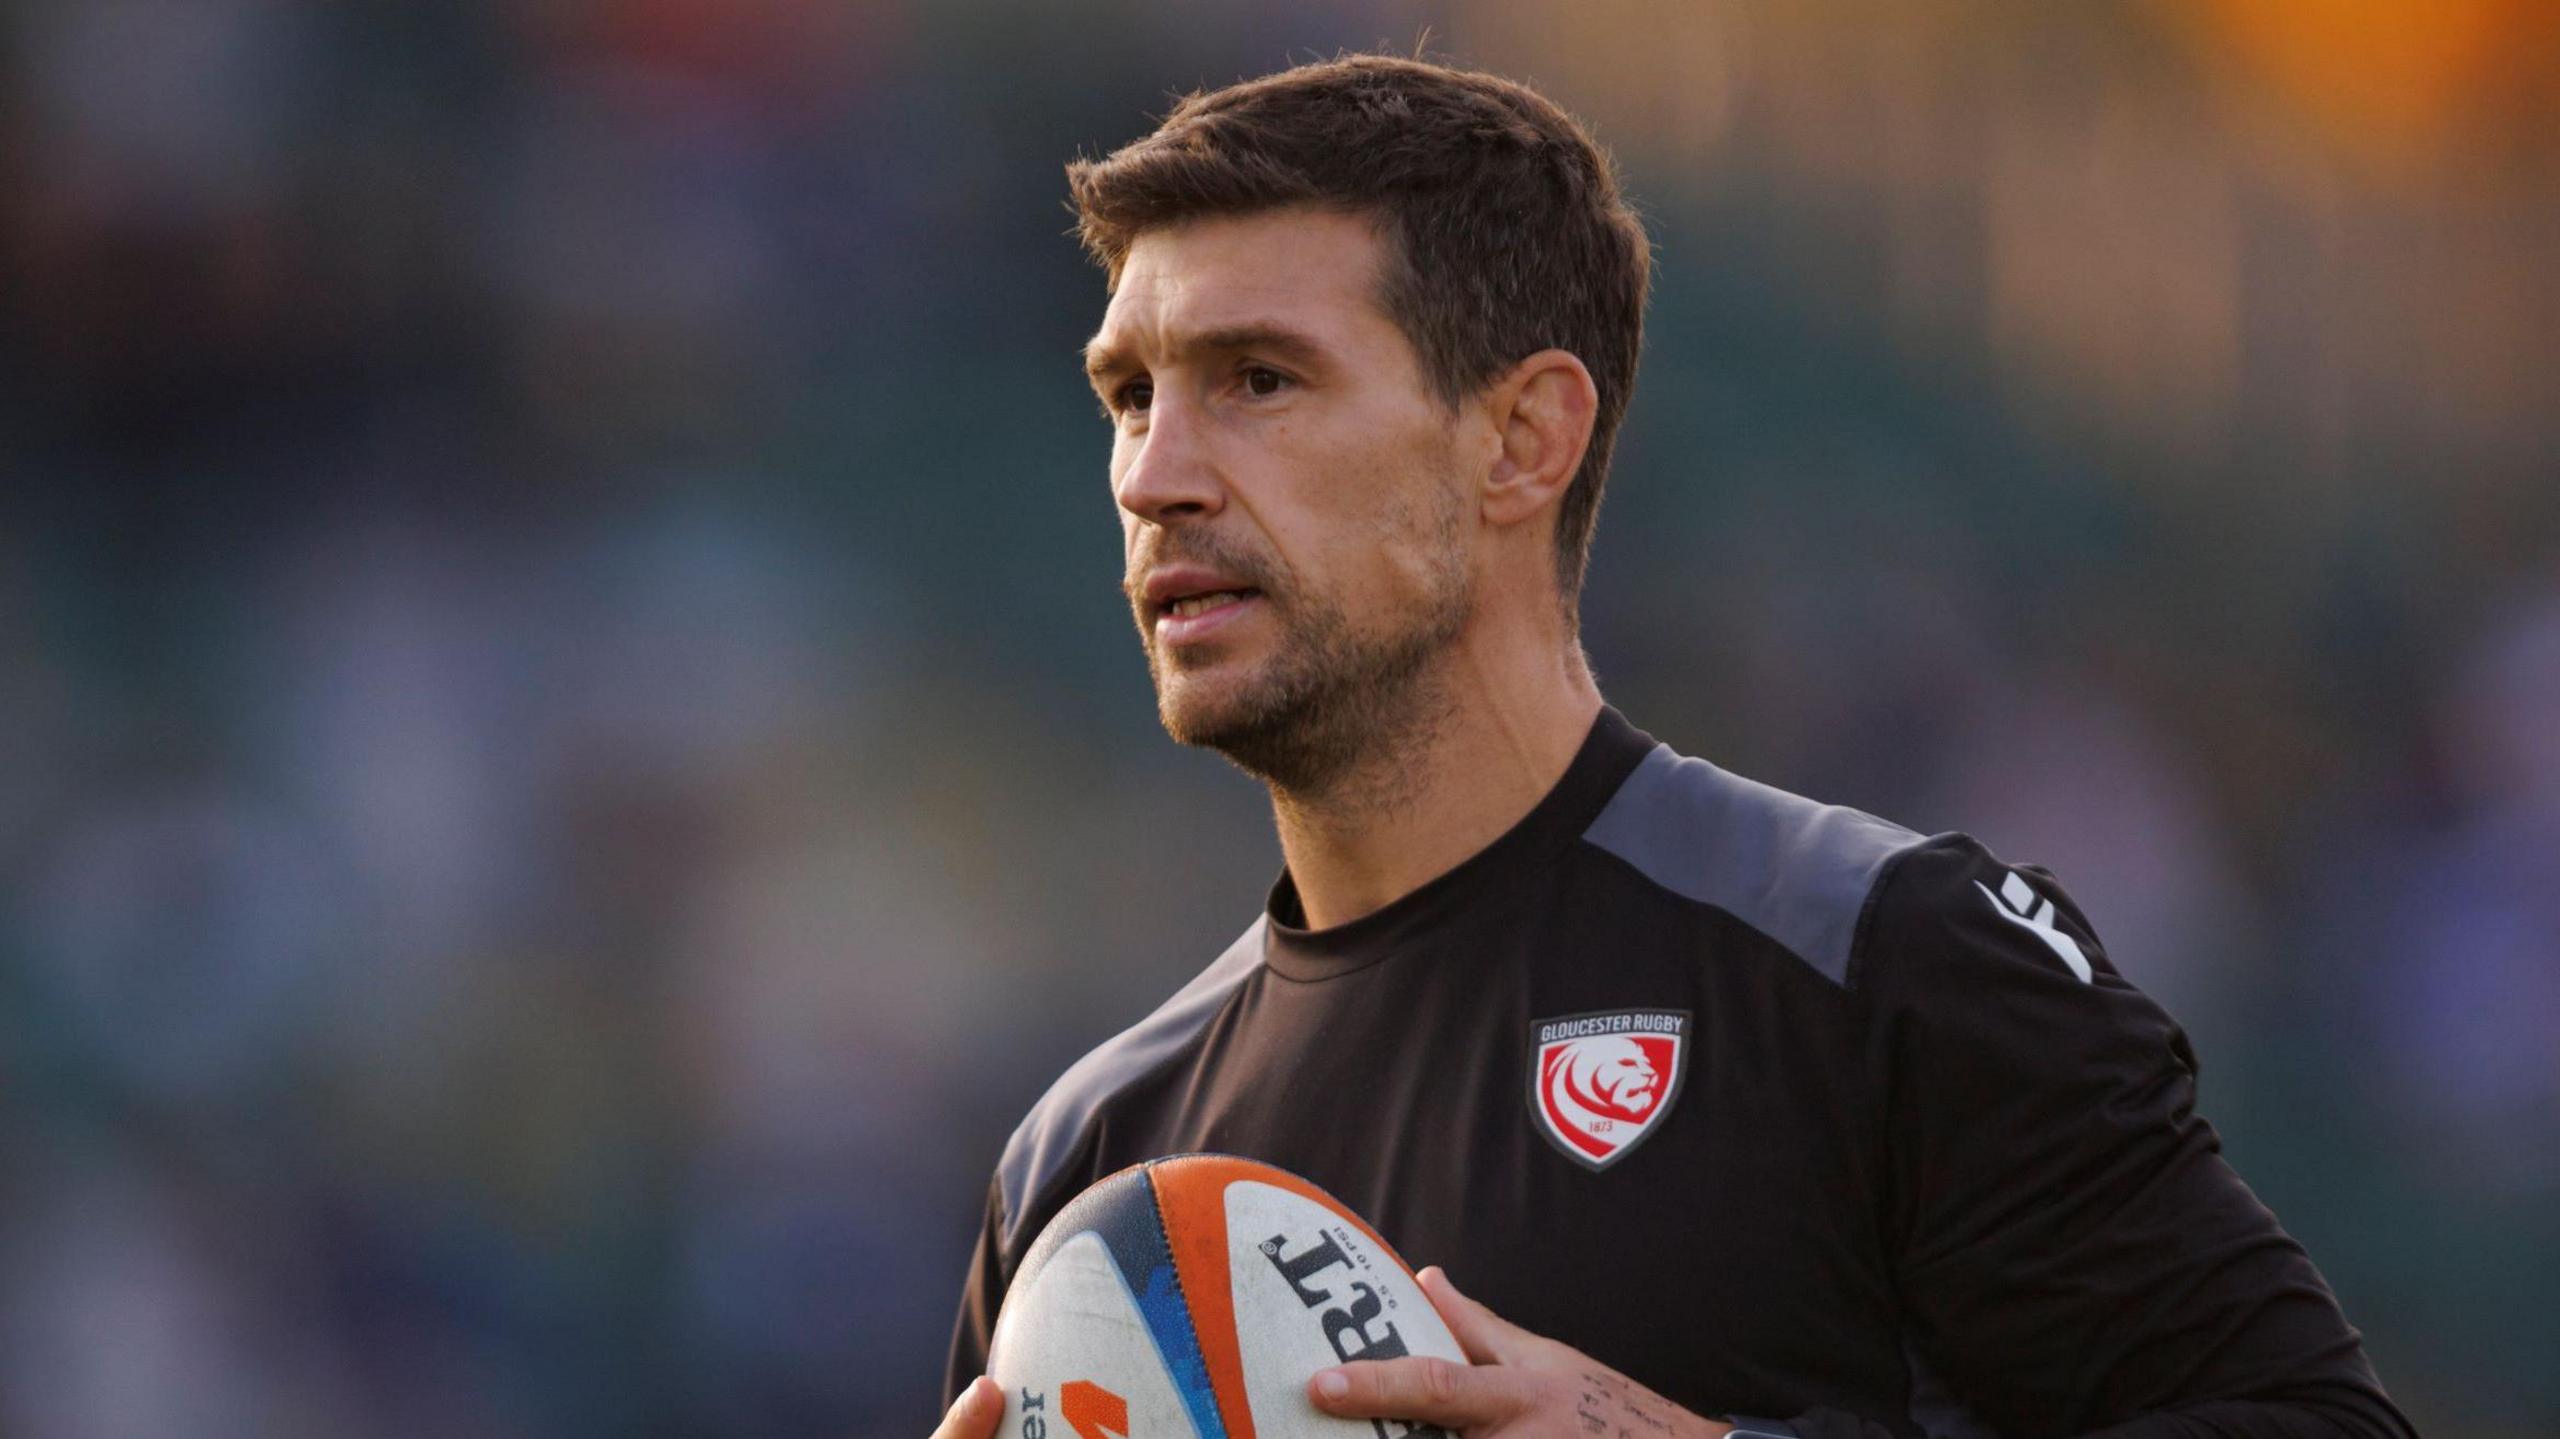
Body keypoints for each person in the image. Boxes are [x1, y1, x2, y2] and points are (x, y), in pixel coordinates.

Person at [935, 53, 2411, 1439]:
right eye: (1130, 397)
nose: (1154, 476)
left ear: (1524, 441)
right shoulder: (1087, 1170)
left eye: (1258, 379)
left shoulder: (1875, 963)